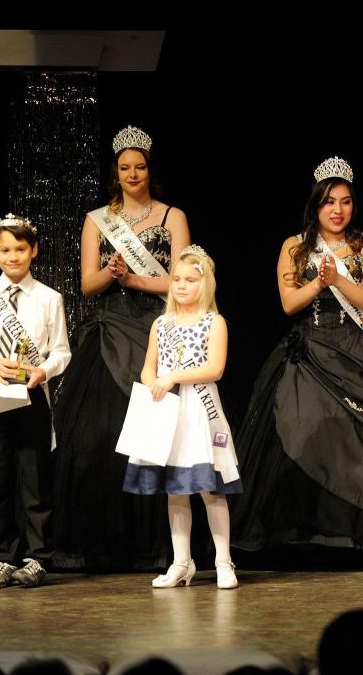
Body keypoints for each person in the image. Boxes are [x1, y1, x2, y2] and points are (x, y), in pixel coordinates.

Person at [229, 156, 363, 552]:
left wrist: (338, 278)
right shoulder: (294, 246)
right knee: (307, 430)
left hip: (355, 345)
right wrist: (319, 285)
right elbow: (289, 304)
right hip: (311, 346)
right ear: (315, 205)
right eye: (328, 202)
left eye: (344, 202)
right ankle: (306, 531)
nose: (337, 210)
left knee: (362, 437)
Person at [52, 125, 191, 571]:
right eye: (125, 167)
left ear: (150, 170)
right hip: (109, 326)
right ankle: (100, 542)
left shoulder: (172, 216)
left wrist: (136, 279)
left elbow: (182, 281)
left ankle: (159, 545)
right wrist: (113, 274)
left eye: (141, 166)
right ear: (116, 172)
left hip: (157, 326)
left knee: (161, 437)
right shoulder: (97, 219)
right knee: (97, 437)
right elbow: (88, 285)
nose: (133, 174)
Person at [0, 214, 71, 588]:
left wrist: (44, 372)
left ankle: (38, 558)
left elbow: (62, 352)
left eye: (20, 249)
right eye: (5, 249)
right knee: (0, 477)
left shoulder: (49, 298)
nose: (13, 256)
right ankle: (4, 557)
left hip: (32, 395)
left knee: (36, 478)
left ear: (33, 250)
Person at [121, 246, 242, 589]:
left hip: (201, 411)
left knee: (210, 489)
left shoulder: (214, 322)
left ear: (206, 285)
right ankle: (180, 562)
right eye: (176, 279)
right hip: (168, 410)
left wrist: (173, 377)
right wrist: (153, 382)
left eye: (190, 280)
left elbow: (215, 368)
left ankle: (222, 561)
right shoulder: (161, 324)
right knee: (175, 490)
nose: (182, 286)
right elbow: (148, 367)